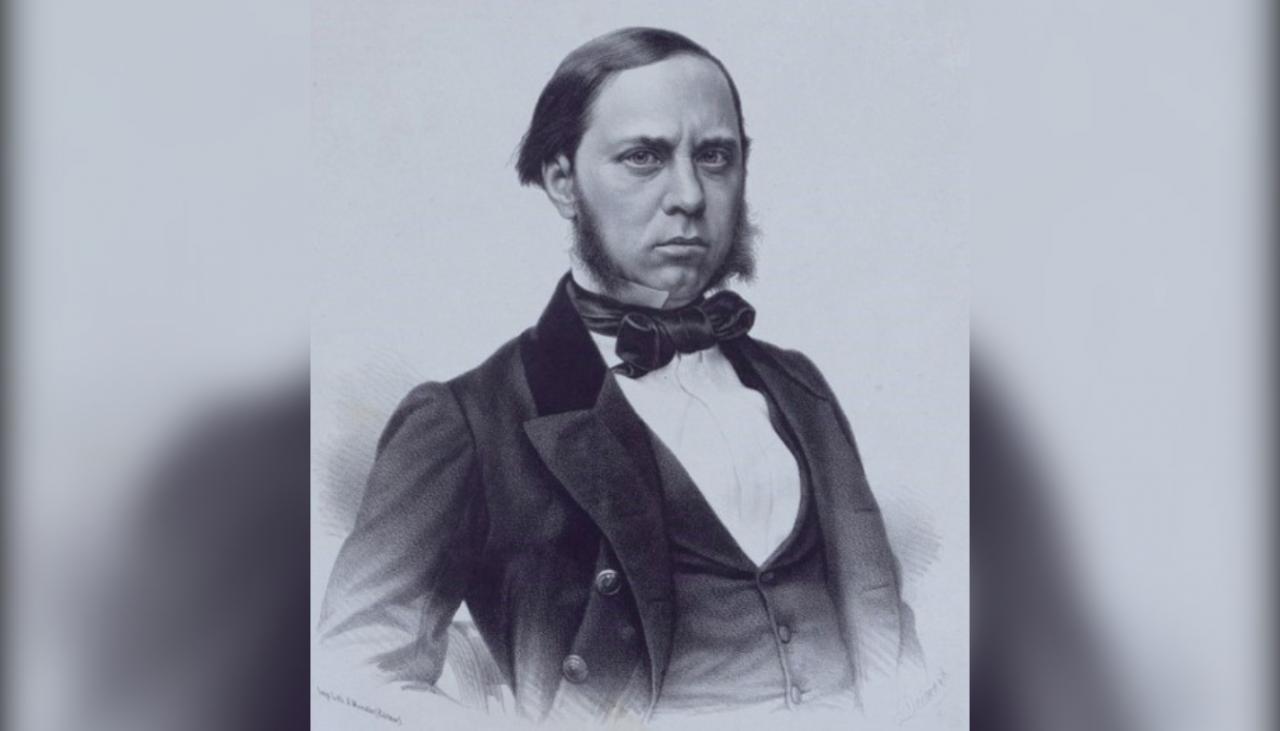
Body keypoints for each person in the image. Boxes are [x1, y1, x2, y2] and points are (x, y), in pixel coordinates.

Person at [318, 26, 923, 723]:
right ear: (562, 181)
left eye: (715, 156)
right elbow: (348, 673)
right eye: (644, 157)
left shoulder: (798, 387)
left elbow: (889, 636)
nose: (689, 195)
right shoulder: (470, 421)